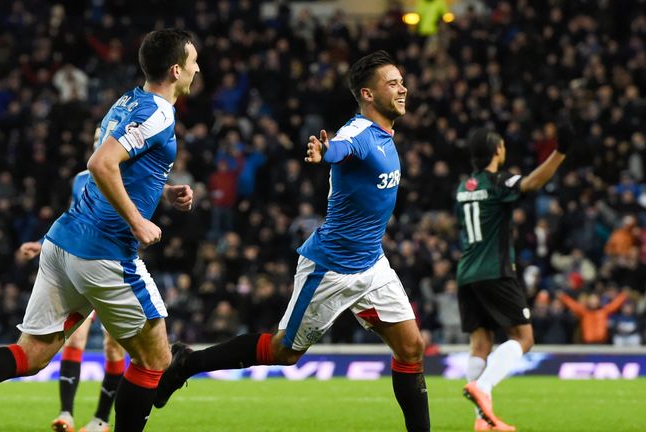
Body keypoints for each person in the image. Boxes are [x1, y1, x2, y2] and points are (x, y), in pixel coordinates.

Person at [0, 28, 199, 432]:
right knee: (156, 362)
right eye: (194, 61)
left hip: (62, 244)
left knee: (32, 354)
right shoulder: (159, 113)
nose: (198, 68)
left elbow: (119, 168)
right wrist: (138, 220)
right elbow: (100, 165)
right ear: (177, 69)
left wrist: (162, 193)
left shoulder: (127, 101)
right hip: (105, 252)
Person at [155, 50, 431, 432]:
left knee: (412, 348)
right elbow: (342, 146)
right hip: (331, 266)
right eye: (393, 83)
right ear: (367, 94)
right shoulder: (360, 133)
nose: (403, 88)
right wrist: (325, 151)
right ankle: (186, 362)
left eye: (402, 81)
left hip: (372, 264)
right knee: (283, 351)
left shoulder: (385, 135)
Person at [456, 123, 574, 431]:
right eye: (503, 146)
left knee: (480, 344)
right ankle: (483, 387)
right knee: (524, 338)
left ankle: (482, 422)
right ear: (497, 150)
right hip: (495, 271)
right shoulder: (498, 182)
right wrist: (560, 152)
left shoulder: (464, 186)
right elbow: (532, 183)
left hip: (466, 273)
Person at [17, 129, 127, 432]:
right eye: (96, 136)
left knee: (113, 348)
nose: (98, 139)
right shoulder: (81, 179)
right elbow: (73, 218)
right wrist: (43, 243)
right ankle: (66, 413)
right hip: (81, 262)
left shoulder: (127, 173)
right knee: (74, 338)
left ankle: (101, 420)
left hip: (115, 263)